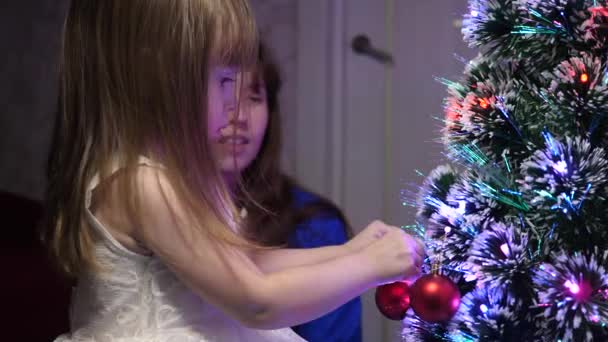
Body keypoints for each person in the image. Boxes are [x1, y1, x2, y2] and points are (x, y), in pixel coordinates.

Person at [43, 1, 424, 341]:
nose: (235, 106)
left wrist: (346, 253)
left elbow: (245, 263)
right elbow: (256, 301)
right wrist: (368, 267)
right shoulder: (143, 184)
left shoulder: (174, 177)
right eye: (224, 81)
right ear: (159, 80)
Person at [219, 43, 361, 341]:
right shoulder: (160, 204)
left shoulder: (314, 226)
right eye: (223, 95)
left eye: (254, 97)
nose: (239, 116)